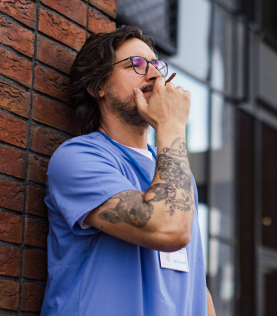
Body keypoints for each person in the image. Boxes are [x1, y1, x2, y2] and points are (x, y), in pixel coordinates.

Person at [40, 26, 216, 316]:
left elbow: (194, 279)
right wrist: (171, 125)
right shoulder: (79, 158)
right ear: (98, 87)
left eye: (157, 65)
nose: (154, 75)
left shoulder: (175, 172)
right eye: (135, 64)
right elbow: (169, 228)